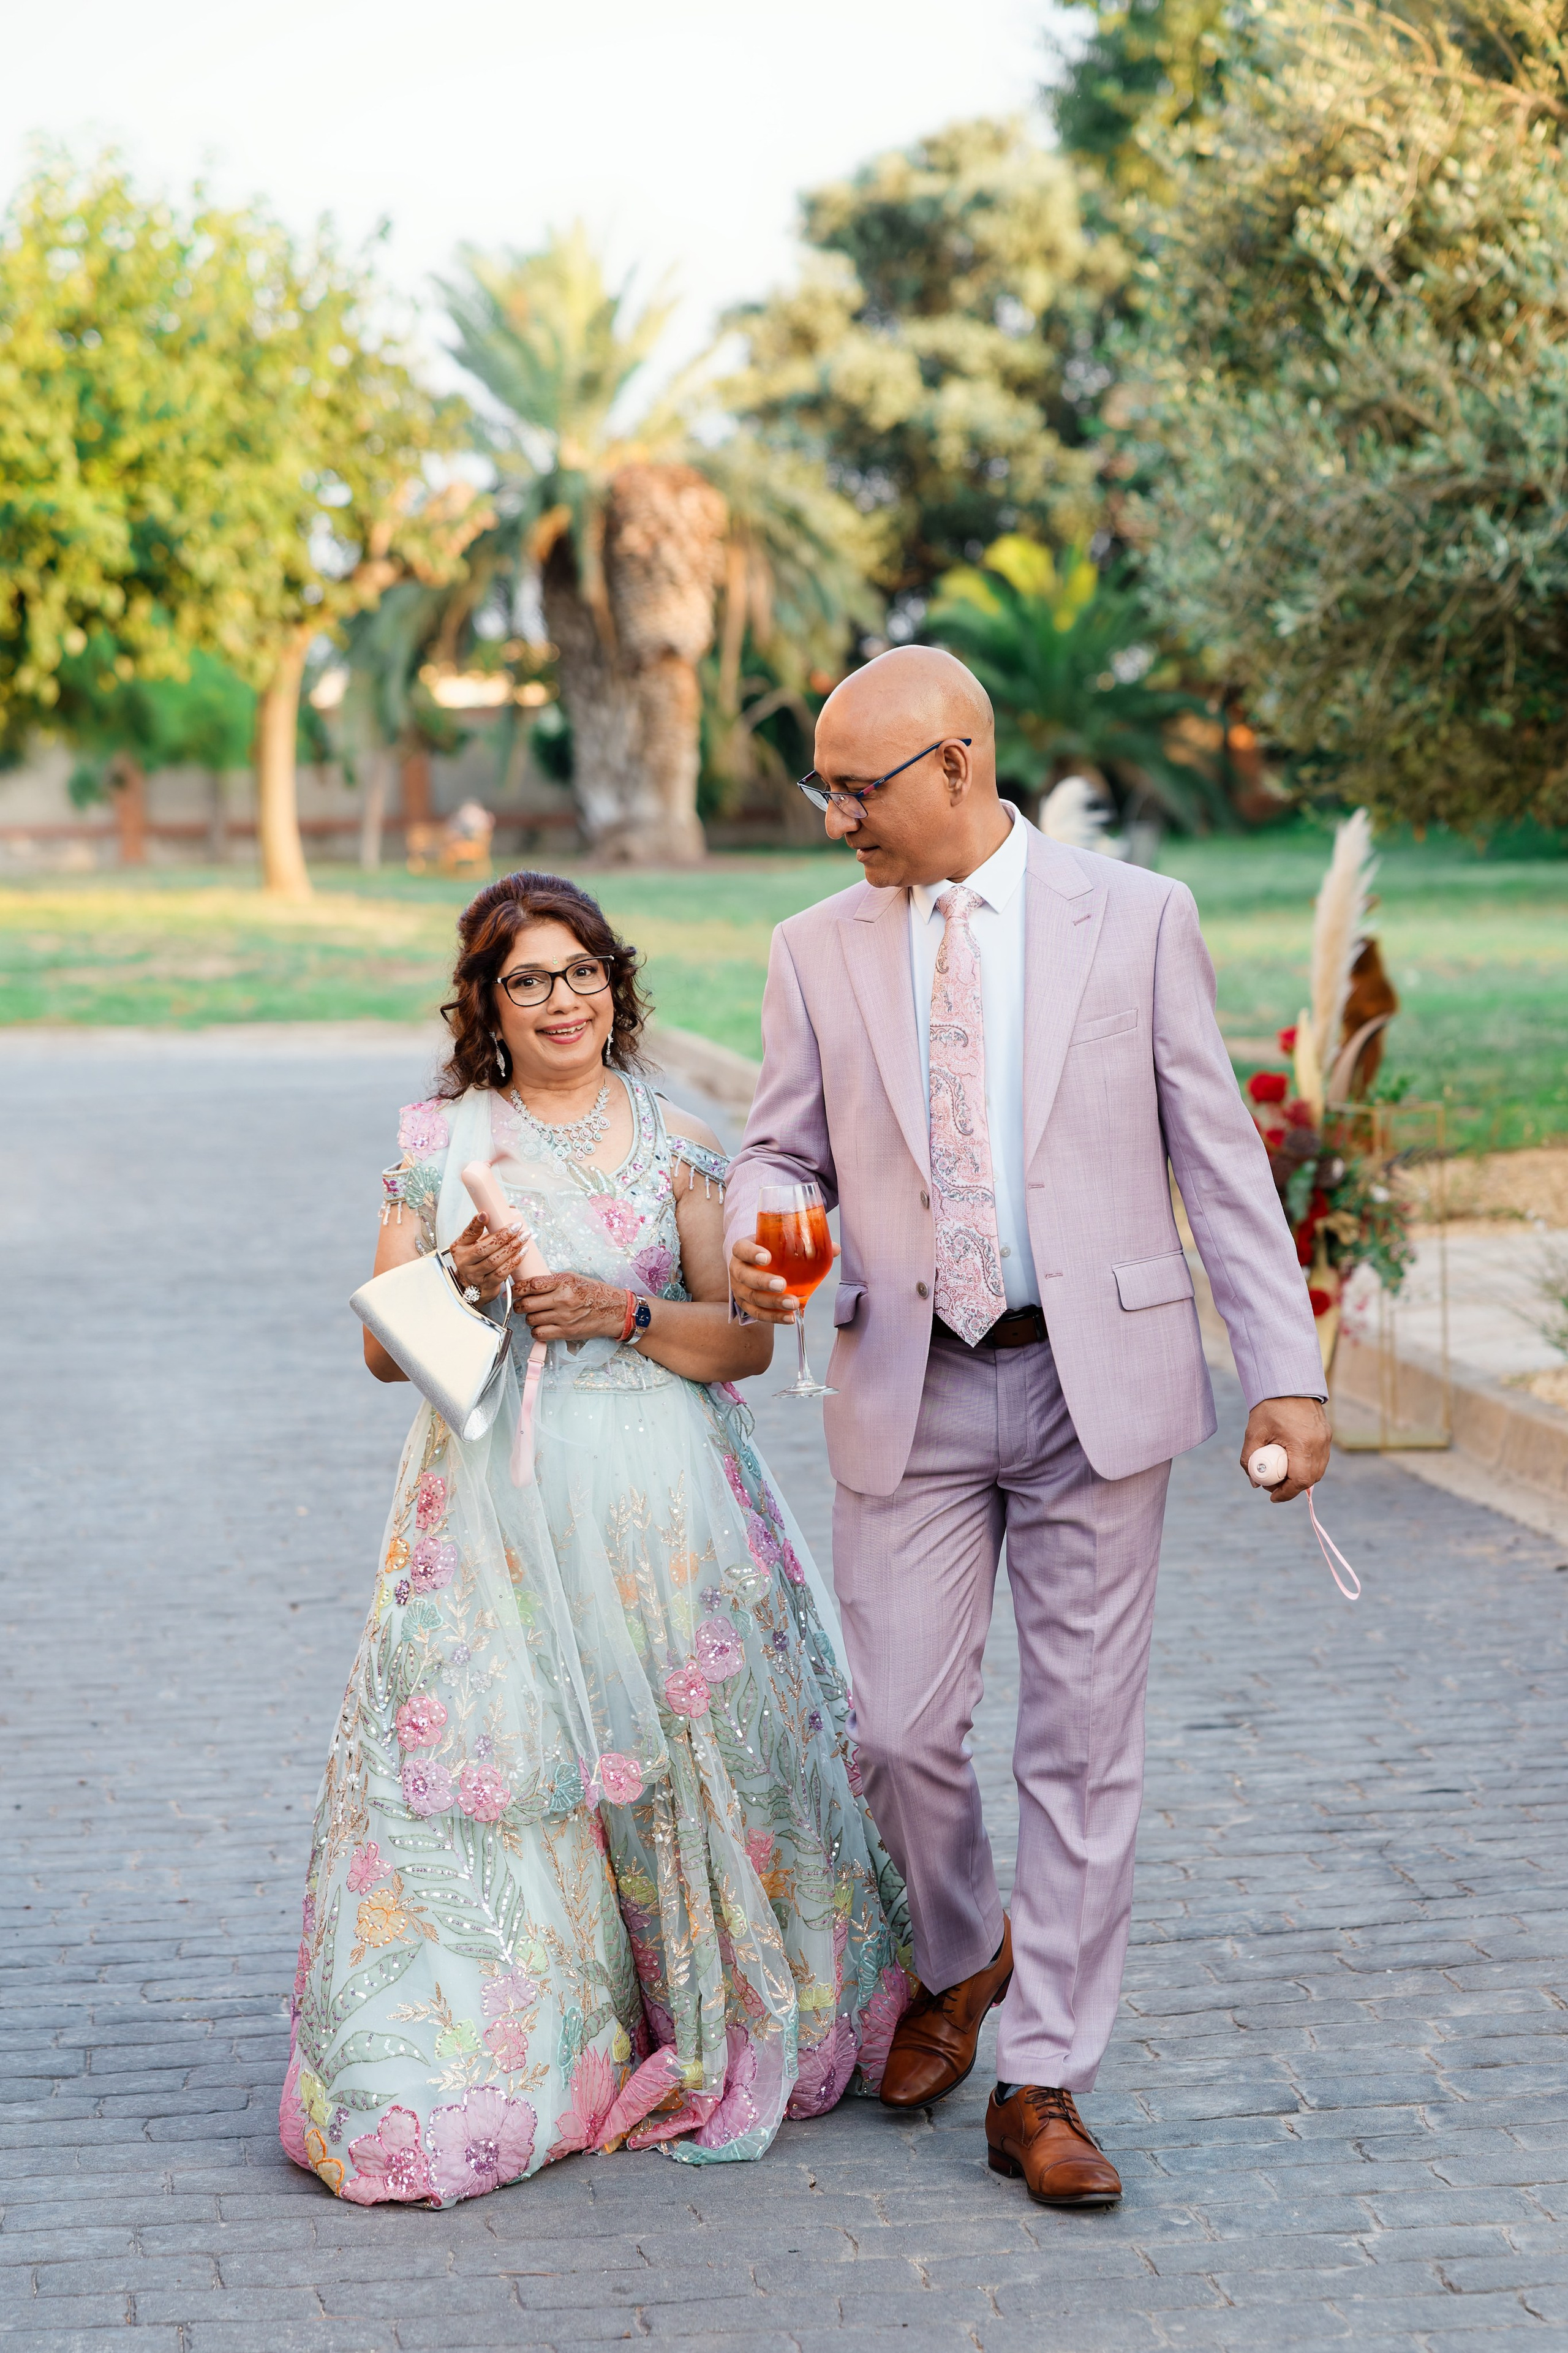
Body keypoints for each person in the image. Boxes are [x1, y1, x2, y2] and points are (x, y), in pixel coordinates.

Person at [725, 647, 1329, 2209]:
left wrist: (1286, 1367)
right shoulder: (810, 947)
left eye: (855, 789)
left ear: (954, 763)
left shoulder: (1135, 917)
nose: (834, 817)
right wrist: (774, 1223)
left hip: (1095, 1384)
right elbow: (778, 1145)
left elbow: (1216, 1156)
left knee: (1080, 1747)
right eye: (823, 787)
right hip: (905, 1378)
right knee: (896, 1731)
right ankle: (962, 1946)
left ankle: (1043, 2074)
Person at [280, 872, 911, 2207]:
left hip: (664, 1497)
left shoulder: (675, 1135)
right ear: (486, 1005)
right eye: (529, 979)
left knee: (694, 1752)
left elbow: (741, 1336)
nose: (562, 999)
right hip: (495, 1509)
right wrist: (462, 1281)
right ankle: (515, 2044)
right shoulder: (443, 1140)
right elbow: (382, 1359)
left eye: (582, 972)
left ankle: (715, 2002)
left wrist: (618, 1318)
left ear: (615, 985)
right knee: (505, 1764)